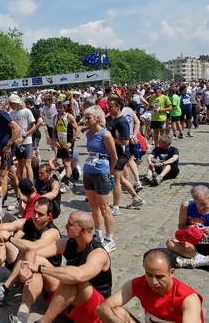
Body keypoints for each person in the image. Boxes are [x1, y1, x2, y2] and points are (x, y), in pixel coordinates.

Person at [11, 211, 112, 323]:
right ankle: (23, 314)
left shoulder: (98, 253)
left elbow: (78, 275)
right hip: (71, 298)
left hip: (95, 310)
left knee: (71, 279)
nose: (65, 226)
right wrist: (28, 268)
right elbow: (32, 252)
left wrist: (40, 269)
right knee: (38, 261)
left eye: (70, 224)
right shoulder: (67, 243)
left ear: (82, 229)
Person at [0, 197, 61, 306]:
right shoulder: (28, 222)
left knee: (26, 250)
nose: (36, 216)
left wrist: (9, 238)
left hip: (42, 273)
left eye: (40, 214)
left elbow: (33, 247)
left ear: (49, 216)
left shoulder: (52, 232)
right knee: (3, 239)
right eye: (34, 212)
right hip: (24, 266)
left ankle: (4, 290)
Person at [97, 249, 204, 322]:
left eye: (159, 276)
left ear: (172, 272)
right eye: (149, 275)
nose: (153, 282)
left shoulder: (188, 298)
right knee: (116, 312)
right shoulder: (139, 283)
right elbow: (102, 307)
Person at [167, 185, 209, 274]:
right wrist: (190, 228)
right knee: (170, 242)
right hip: (193, 246)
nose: (200, 207)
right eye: (196, 203)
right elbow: (181, 226)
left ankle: (195, 262)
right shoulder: (186, 206)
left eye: (203, 203)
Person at [82, 106, 118, 253]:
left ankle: (110, 238)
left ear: (97, 118)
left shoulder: (106, 135)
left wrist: (109, 172)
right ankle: (98, 234)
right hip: (88, 170)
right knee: (93, 206)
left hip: (101, 171)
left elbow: (114, 156)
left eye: (89, 117)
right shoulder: (89, 134)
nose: (86, 120)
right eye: (85, 117)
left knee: (104, 207)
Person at [107, 95, 145, 216]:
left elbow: (125, 141)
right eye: (109, 105)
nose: (109, 108)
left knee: (116, 181)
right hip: (117, 153)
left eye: (111, 106)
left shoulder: (122, 122)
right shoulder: (115, 120)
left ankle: (116, 207)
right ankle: (136, 198)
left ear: (118, 107)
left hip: (122, 154)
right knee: (122, 179)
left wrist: (110, 138)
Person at [52, 100, 79, 191]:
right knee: (64, 162)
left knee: (67, 163)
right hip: (60, 143)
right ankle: (70, 179)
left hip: (68, 142)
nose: (59, 110)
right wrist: (55, 141)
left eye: (61, 108)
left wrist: (71, 142)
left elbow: (77, 130)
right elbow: (54, 131)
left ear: (64, 108)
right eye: (58, 108)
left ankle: (68, 182)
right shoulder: (55, 117)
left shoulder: (69, 117)